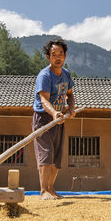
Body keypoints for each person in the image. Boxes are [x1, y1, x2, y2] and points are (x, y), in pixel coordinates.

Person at [33, 38, 76, 200]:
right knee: (46, 153)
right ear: (48, 57)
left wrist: (70, 108)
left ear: (65, 56)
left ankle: (51, 188)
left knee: (57, 155)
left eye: (61, 54)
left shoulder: (66, 75)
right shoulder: (44, 76)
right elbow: (44, 100)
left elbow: (70, 95)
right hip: (44, 118)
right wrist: (54, 113)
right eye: (54, 54)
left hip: (59, 118)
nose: (58, 57)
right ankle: (43, 190)